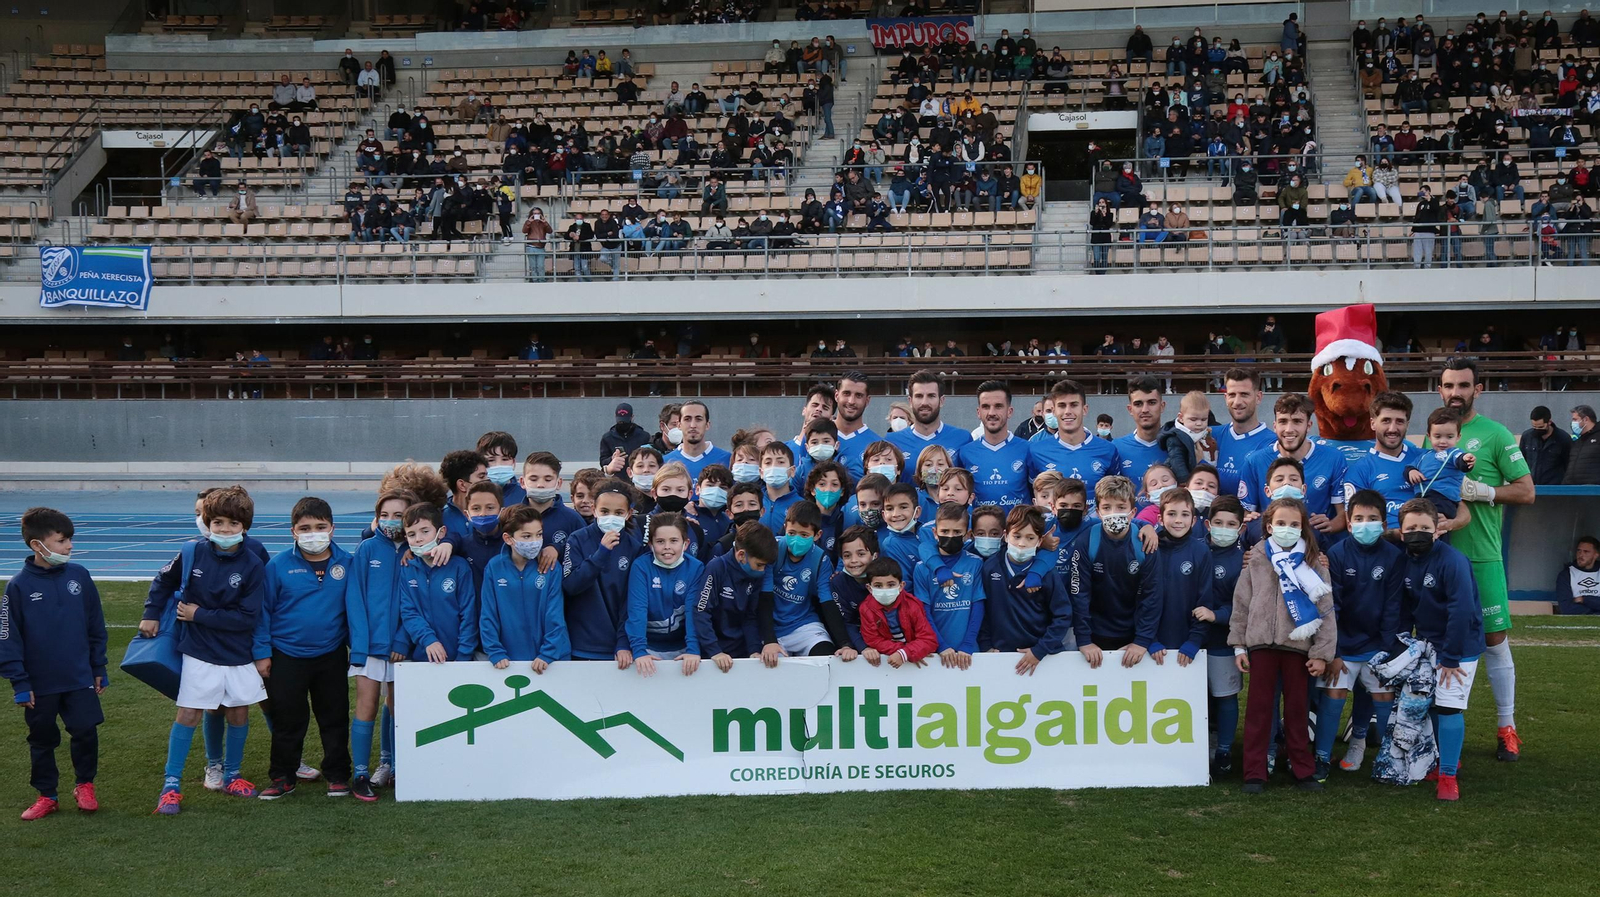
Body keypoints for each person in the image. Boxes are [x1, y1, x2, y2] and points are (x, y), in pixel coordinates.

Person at [141, 486, 267, 814]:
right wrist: (151, 613)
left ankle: (233, 775)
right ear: (208, 522)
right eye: (219, 523)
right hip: (197, 650)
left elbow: (246, 617)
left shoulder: (253, 563)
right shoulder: (191, 552)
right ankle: (171, 786)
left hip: (238, 651)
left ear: (245, 526)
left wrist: (199, 615)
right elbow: (163, 581)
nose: (225, 530)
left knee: (239, 710)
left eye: (233, 524)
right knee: (190, 712)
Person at [1435, 357, 1532, 760]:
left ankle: (1506, 727)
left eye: (1463, 385)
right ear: (1440, 389)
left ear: (1478, 389)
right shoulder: (1434, 436)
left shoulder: (1494, 434)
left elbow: (1526, 492)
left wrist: (1487, 492)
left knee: (1494, 640)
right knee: (1434, 642)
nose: (1455, 392)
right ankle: (1429, 731)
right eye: (1448, 385)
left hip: (1482, 556)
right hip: (1438, 558)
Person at [1, 508, 107, 820]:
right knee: (42, 739)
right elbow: (8, 638)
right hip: (39, 684)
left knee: (86, 731)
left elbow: (95, 625)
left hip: (79, 677)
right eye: (62, 541)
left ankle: (85, 784)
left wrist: (98, 667)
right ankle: (47, 795)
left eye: (70, 539)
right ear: (38, 545)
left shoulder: (80, 576)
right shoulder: (17, 587)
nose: (69, 546)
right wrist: (20, 683)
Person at [1229, 496, 1335, 793]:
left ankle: (1303, 769)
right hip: (1261, 645)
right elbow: (1241, 604)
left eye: (1294, 524)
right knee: (1259, 711)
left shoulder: (1314, 562)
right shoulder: (1257, 558)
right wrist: (1239, 645)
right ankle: (1254, 771)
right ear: (1268, 525)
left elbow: (1326, 611)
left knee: (1298, 711)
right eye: (1281, 523)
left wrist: (1321, 653)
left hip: (1298, 648)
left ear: (1303, 528)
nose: (1287, 529)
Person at [252, 497, 353, 800]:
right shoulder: (278, 565)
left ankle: (337, 775)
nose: (313, 533)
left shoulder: (348, 562)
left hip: (332, 653)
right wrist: (261, 653)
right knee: (287, 718)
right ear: (293, 532)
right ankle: (283, 775)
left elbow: (356, 609)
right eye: (305, 528)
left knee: (334, 717)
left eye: (320, 527)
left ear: (332, 528)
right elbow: (263, 612)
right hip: (286, 655)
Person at [1394, 498, 1486, 801]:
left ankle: (1448, 777)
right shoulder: (1405, 559)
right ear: (1401, 531)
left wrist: (1450, 656)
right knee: (1432, 705)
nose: (1417, 533)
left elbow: (1461, 611)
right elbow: (1406, 607)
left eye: (1424, 527)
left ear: (1438, 529)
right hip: (1429, 644)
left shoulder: (1454, 561)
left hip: (1459, 647)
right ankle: (1447, 760)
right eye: (1411, 528)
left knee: (1448, 706)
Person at [1313, 489, 1403, 779]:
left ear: (1384, 524)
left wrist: (1386, 651)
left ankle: (1372, 748)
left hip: (1378, 645)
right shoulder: (1337, 554)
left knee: (1382, 697)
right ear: (1349, 524)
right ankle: (1322, 757)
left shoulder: (1393, 557)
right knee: (1334, 694)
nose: (1366, 524)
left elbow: (1393, 606)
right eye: (1360, 519)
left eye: (1373, 519)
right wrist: (1334, 652)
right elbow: (1331, 606)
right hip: (1344, 644)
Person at [1066, 476, 1159, 668]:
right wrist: (1084, 639)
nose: (1113, 513)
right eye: (1107, 508)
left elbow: (1152, 596)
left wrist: (1142, 640)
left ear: (1133, 512)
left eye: (1121, 507)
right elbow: (1079, 593)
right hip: (1094, 634)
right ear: (1098, 512)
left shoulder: (1145, 543)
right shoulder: (1087, 541)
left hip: (1133, 634)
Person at [626, 513, 704, 678]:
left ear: (686, 543)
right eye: (660, 542)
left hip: (683, 650)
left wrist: (693, 649)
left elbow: (693, 611)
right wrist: (639, 650)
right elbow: (637, 610)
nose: (667, 547)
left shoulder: (696, 567)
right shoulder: (641, 566)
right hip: (648, 649)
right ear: (651, 545)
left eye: (674, 541)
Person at [913, 503, 986, 669]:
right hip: (935, 651)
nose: (950, 536)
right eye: (945, 532)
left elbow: (978, 606)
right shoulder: (921, 568)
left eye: (957, 532)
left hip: (968, 652)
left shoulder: (975, 563)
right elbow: (923, 611)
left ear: (967, 535)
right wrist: (940, 645)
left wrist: (968, 643)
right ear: (935, 533)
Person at [1028, 379, 1122, 507]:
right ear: (1054, 410)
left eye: (1074, 405)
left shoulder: (1108, 450)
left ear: (1084, 409)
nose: (1067, 411)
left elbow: (1114, 498)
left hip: (1094, 526)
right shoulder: (1036, 451)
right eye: (1062, 405)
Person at [956, 380, 1030, 509]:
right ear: (978, 412)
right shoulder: (965, 453)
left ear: (1010, 411)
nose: (991, 413)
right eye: (986, 407)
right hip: (979, 529)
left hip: (1017, 528)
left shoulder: (1028, 449)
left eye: (998, 406)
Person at [858, 558, 940, 668]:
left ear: (901, 586)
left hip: (915, 664)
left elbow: (929, 639)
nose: (885, 590)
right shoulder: (866, 609)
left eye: (891, 584)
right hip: (887, 665)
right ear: (869, 588)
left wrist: (905, 653)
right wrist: (904, 652)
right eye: (878, 586)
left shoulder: (913, 605)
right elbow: (873, 640)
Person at [1404, 408, 1476, 529]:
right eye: (1437, 436)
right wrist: (1411, 471)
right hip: (1422, 498)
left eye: (1449, 437)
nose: (1443, 441)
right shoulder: (1424, 456)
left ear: (1458, 437)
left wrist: (1466, 459)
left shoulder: (1454, 452)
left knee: (1437, 527)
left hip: (1443, 499)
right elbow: (1409, 467)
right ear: (1429, 436)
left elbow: (1460, 461)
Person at [1556, 536, 1600, 615]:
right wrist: (1595, 612)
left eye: (1586, 552)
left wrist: (1583, 600)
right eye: (1579, 551)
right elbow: (1566, 608)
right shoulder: (1566, 575)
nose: (1581, 555)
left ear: (1596, 555)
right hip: (1576, 623)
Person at [1565, 405, 1600, 484]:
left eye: (1575, 419)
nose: (1572, 423)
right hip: (1573, 489)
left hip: (1593, 491)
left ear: (1585, 419)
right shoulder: (1578, 442)